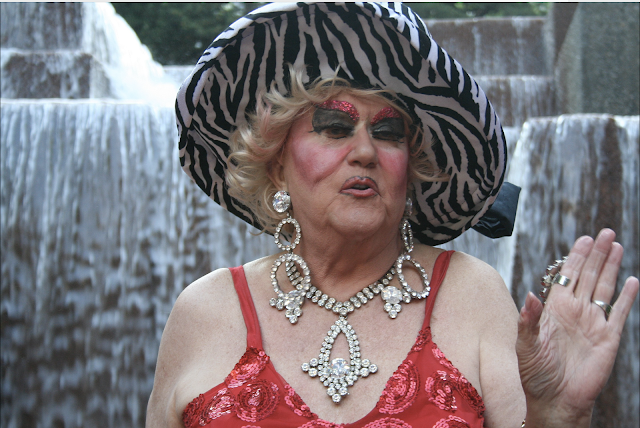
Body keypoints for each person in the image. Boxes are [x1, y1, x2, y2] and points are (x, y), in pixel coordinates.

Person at [146, 3, 639, 427]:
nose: (365, 151)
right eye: (334, 127)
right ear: (276, 163)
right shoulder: (203, 311)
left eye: (388, 133)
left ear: (410, 168)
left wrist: (555, 414)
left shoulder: (474, 296)